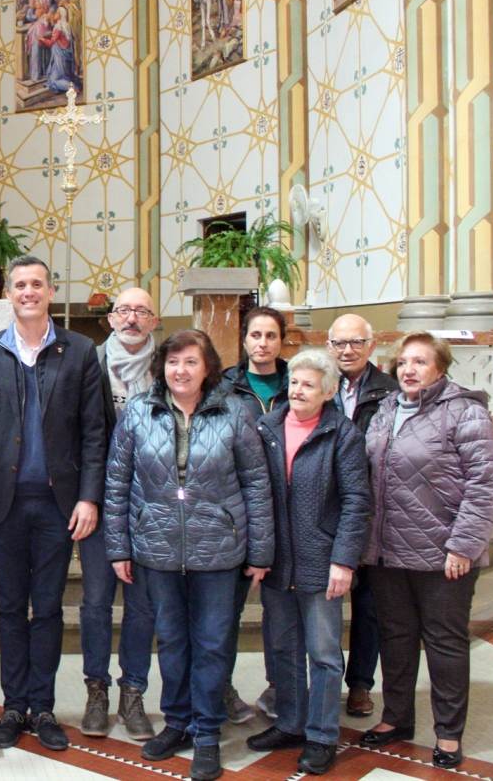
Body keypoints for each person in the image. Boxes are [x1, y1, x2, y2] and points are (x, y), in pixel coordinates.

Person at [106, 329, 273, 781]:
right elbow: (117, 481)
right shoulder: (139, 412)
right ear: (162, 366)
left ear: (208, 368)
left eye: (191, 362)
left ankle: (206, 732)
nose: (181, 370)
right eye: (173, 361)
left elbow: (257, 484)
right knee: (173, 641)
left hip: (219, 550)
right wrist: (119, 545)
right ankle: (177, 722)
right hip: (156, 548)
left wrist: (260, 549)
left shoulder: (234, 413)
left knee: (214, 642)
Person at [0, 256, 108, 751]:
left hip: (57, 504)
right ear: (8, 294)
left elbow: (94, 433)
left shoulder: (81, 351)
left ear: (50, 289)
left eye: (36, 284)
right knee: (7, 608)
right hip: (3, 502)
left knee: (46, 609)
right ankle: (14, 704)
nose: (28, 292)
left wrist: (89, 497)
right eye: (19, 284)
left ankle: (41, 707)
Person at [360, 332, 493, 769]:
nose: (409, 370)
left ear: (440, 366)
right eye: (403, 362)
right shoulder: (385, 409)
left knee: (444, 644)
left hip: (445, 555)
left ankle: (448, 733)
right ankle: (397, 718)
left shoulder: (466, 412)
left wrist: (463, 545)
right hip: (388, 552)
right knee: (397, 639)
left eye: (420, 362)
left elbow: (485, 485)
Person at [247, 350, 370, 775]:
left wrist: (344, 560)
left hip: (322, 561)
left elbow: (357, 502)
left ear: (330, 392)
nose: (298, 391)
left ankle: (321, 735)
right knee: (283, 647)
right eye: (295, 383)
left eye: (309, 385)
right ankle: (291, 722)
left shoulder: (343, 434)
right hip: (277, 561)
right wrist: (257, 553)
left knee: (323, 654)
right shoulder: (267, 428)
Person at [77, 287, 158, 740]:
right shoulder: (87, 362)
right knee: (95, 603)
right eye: (124, 311)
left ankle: (134, 693)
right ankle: (96, 690)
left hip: (152, 506)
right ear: (110, 319)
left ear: (153, 319)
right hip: (102, 502)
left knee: (142, 606)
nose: (132, 318)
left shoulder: (169, 366)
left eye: (141, 311)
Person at [326, 314, 398, 719]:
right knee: (326, 603)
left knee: (367, 606)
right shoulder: (320, 385)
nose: (347, 350)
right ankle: (328, 676)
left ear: (371, 345)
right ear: (329, 347)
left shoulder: (390, 391)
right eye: (339, 343)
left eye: (355, 342)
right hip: (324, 513)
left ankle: (360, 685)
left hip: (369, 512)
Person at [221, 305, 289, 721]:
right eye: (255, 335)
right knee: (226, 611)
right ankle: (222, 687)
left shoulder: (299, 382)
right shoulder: (226, 386)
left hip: (288, 507)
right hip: (237, 510)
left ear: (282, 341)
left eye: (271, 336)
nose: (262, 344)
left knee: (281, 611)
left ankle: (281, 686)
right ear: (244, 340)